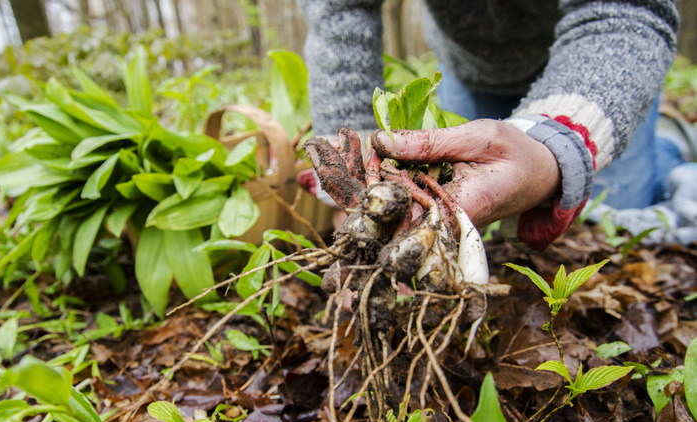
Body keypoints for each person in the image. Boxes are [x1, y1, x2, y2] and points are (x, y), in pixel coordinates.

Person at [298, 0, 696, 250]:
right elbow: (338, 13)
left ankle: (670, 143)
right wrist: (348, 178)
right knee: (470, 205)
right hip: (471, 69)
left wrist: (556, 141)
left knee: (616, 212)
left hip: (593, 59)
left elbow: (629, 12)